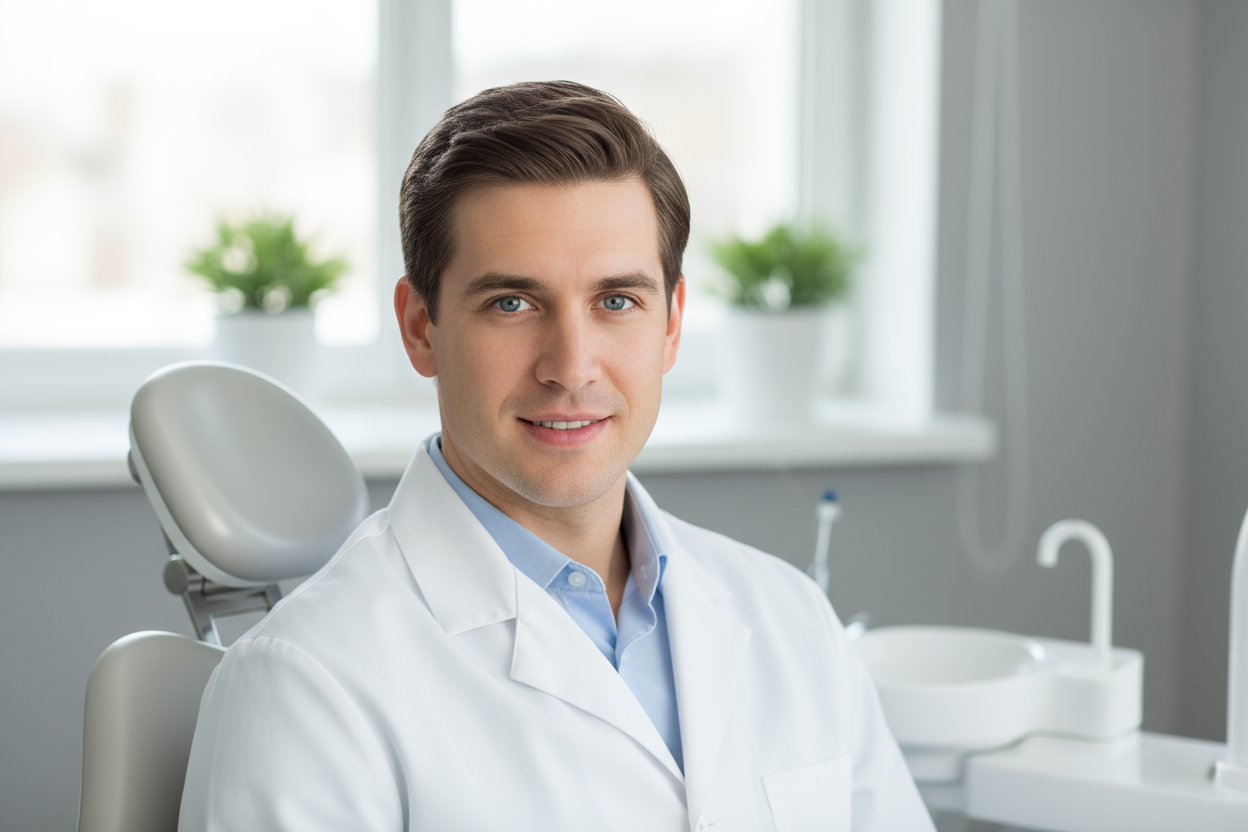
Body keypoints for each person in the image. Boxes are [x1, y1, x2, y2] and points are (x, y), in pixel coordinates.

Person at [179, 80, 934, 832]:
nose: (571, 367)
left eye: (616, 302)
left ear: (671, 325)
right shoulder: (307, 684)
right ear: (420, 329)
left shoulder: (791, 620)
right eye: (512, 303)